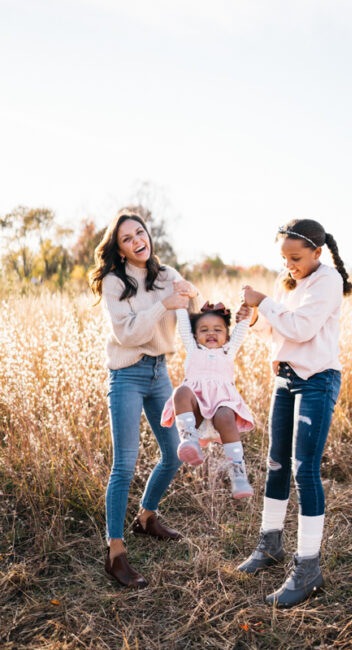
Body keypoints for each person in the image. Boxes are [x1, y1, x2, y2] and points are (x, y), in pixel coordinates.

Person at [237, 218, 352, 608]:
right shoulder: (286, 281)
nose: (289, 265)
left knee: (304, 470)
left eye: (296, 258)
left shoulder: (328, 280)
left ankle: (308, 569)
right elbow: (277, 331)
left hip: (317, 380)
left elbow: (301, 329)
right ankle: (270, 545)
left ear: (317, 252)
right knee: (276, 463)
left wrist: (264, 303)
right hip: (285, 378)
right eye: (284, 258)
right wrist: (252, 317)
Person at [89, 207, 201, 588]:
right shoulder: (113, 282)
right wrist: (163, 305)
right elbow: (127, 335)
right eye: (127, 238)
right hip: (127, 374)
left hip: (159, 372)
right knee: (124, 465)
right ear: (120, 249)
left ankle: (147, 517)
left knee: (173, 453)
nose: (137, 240)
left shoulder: (166, 274)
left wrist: (193, 296)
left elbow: (193, 311)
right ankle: (115, 553)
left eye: (140, 232)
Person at [160, 302, 255, 498]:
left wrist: (249, 307)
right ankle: (189, 440)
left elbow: (242, 326)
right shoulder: (193, 350)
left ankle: (238, 475)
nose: (211, 333)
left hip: (222, 417)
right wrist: (181, 301)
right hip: (197, 416)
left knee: (225, 413)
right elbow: (184, 325)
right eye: (204, 330)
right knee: (181, 392)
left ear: (227, 335)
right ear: (195, 336)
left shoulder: (229, 350)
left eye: (218, 330)